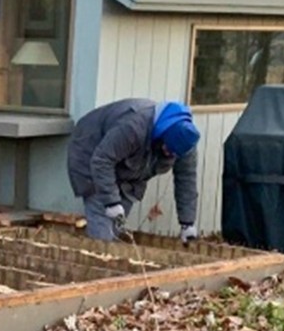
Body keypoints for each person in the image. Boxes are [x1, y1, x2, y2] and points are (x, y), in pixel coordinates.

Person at [67, 99, 200, 243]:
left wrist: (187, 223)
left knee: (116, 227)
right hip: (91, 151)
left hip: (128, 169)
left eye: (174, 154)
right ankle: (99, 255)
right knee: (103, 231)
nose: (170, 155)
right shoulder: (134, 127)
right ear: (162, 134)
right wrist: (111, 201)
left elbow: (186, 181)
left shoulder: (186, 143)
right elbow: (102, 160)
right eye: (167, 149)